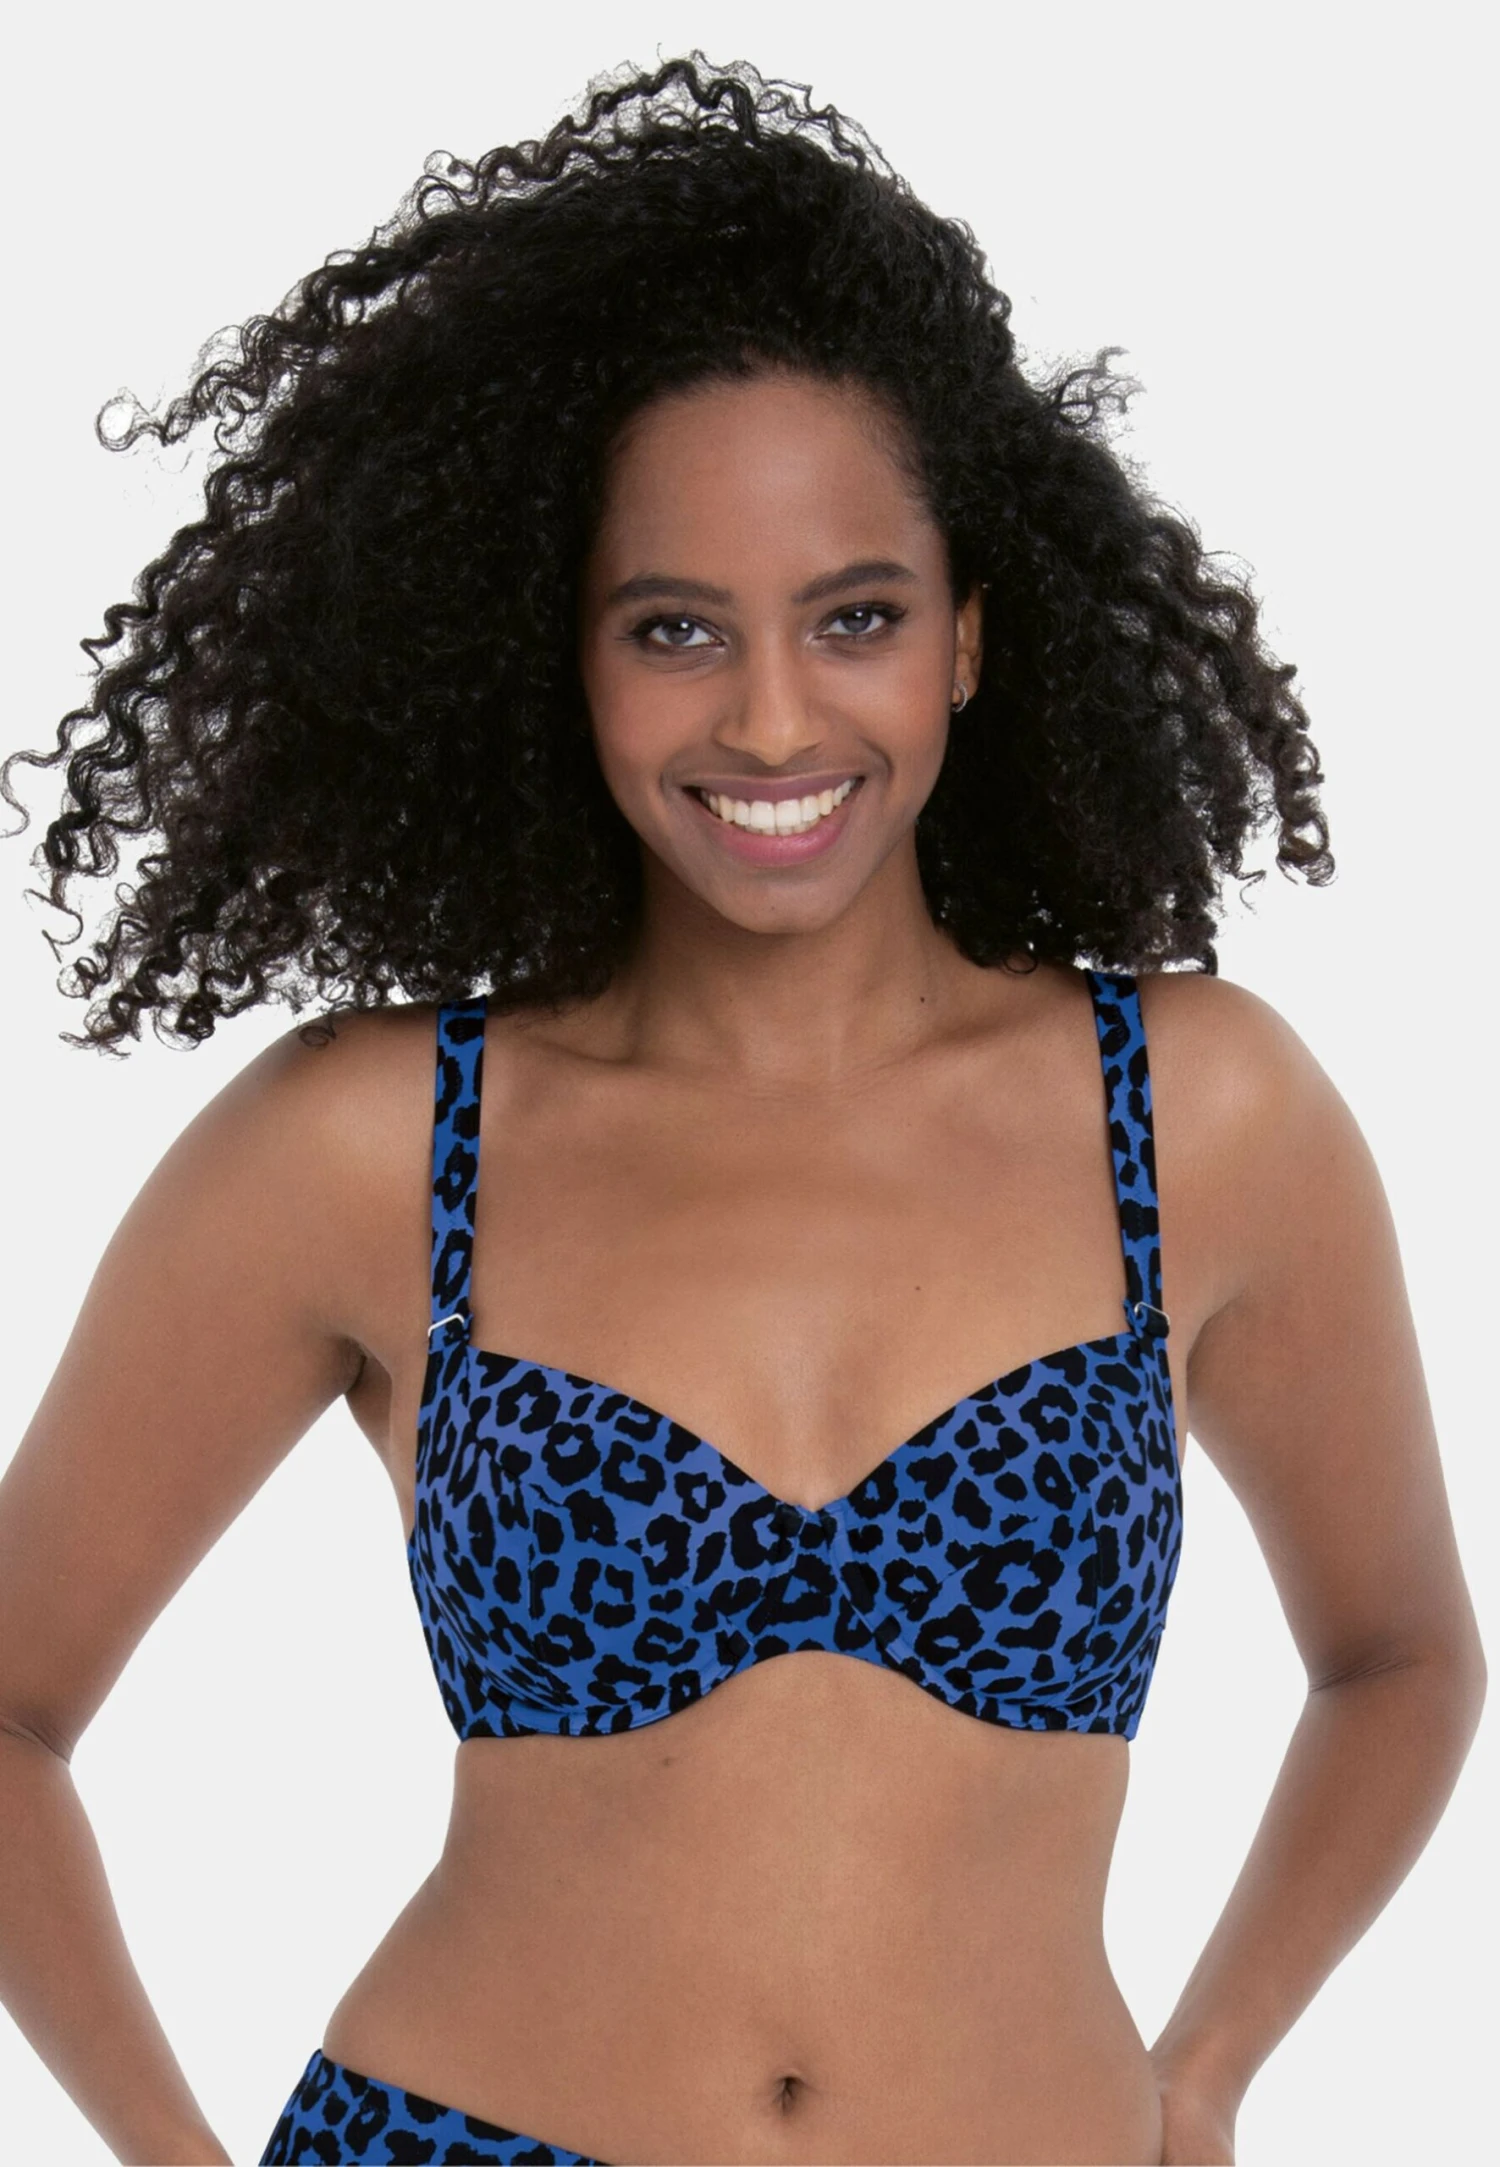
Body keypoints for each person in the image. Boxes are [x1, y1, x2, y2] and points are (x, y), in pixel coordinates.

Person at [0, 51, 1483, 2167]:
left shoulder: (1197, 1112)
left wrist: (1214, 2059)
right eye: (676, 628)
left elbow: (1401, 1658)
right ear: (567, 660)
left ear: (967, 637)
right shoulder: (374, 1145)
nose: (773, 720)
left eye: (854, 617)